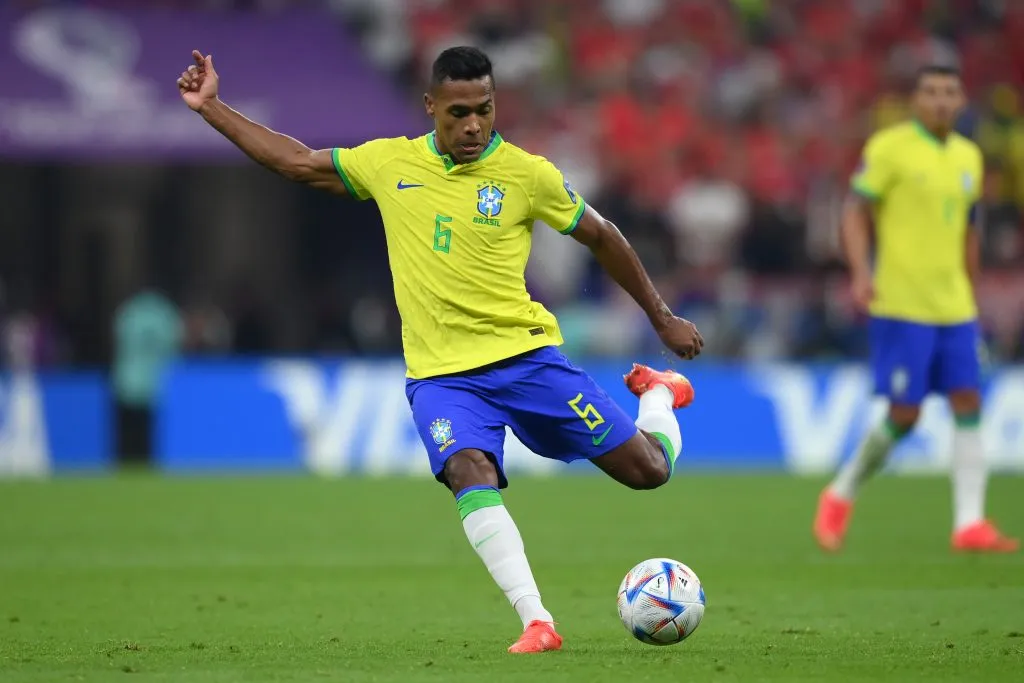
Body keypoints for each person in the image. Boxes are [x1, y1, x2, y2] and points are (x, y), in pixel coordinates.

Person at [177, 46, 703, 652]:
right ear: (431, 108)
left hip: (527, 361)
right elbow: (296, 162)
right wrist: (212, 107)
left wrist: (661, 317)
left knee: (649, 472)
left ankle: (660, 396)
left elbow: (602, 236)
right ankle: (538, 622)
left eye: (484, 109)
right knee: (467, 471)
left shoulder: (527, 174)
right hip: (442, 378)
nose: (473, 124)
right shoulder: (389, 164)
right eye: (458, 113)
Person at [813, 65, 1018, 554]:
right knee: (905, 413)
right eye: (930, 92)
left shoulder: (969, 157)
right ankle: (839, 493)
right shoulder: (890, 148)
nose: (941, 101)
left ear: (962, 100)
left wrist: (973, 291)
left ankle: (970, 524)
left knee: (968, 400)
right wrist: (861, 273)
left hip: (956, 307)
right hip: (902, 303)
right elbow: (854, 211)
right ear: (916, 101)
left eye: (950, 92)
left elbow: (969, 229)